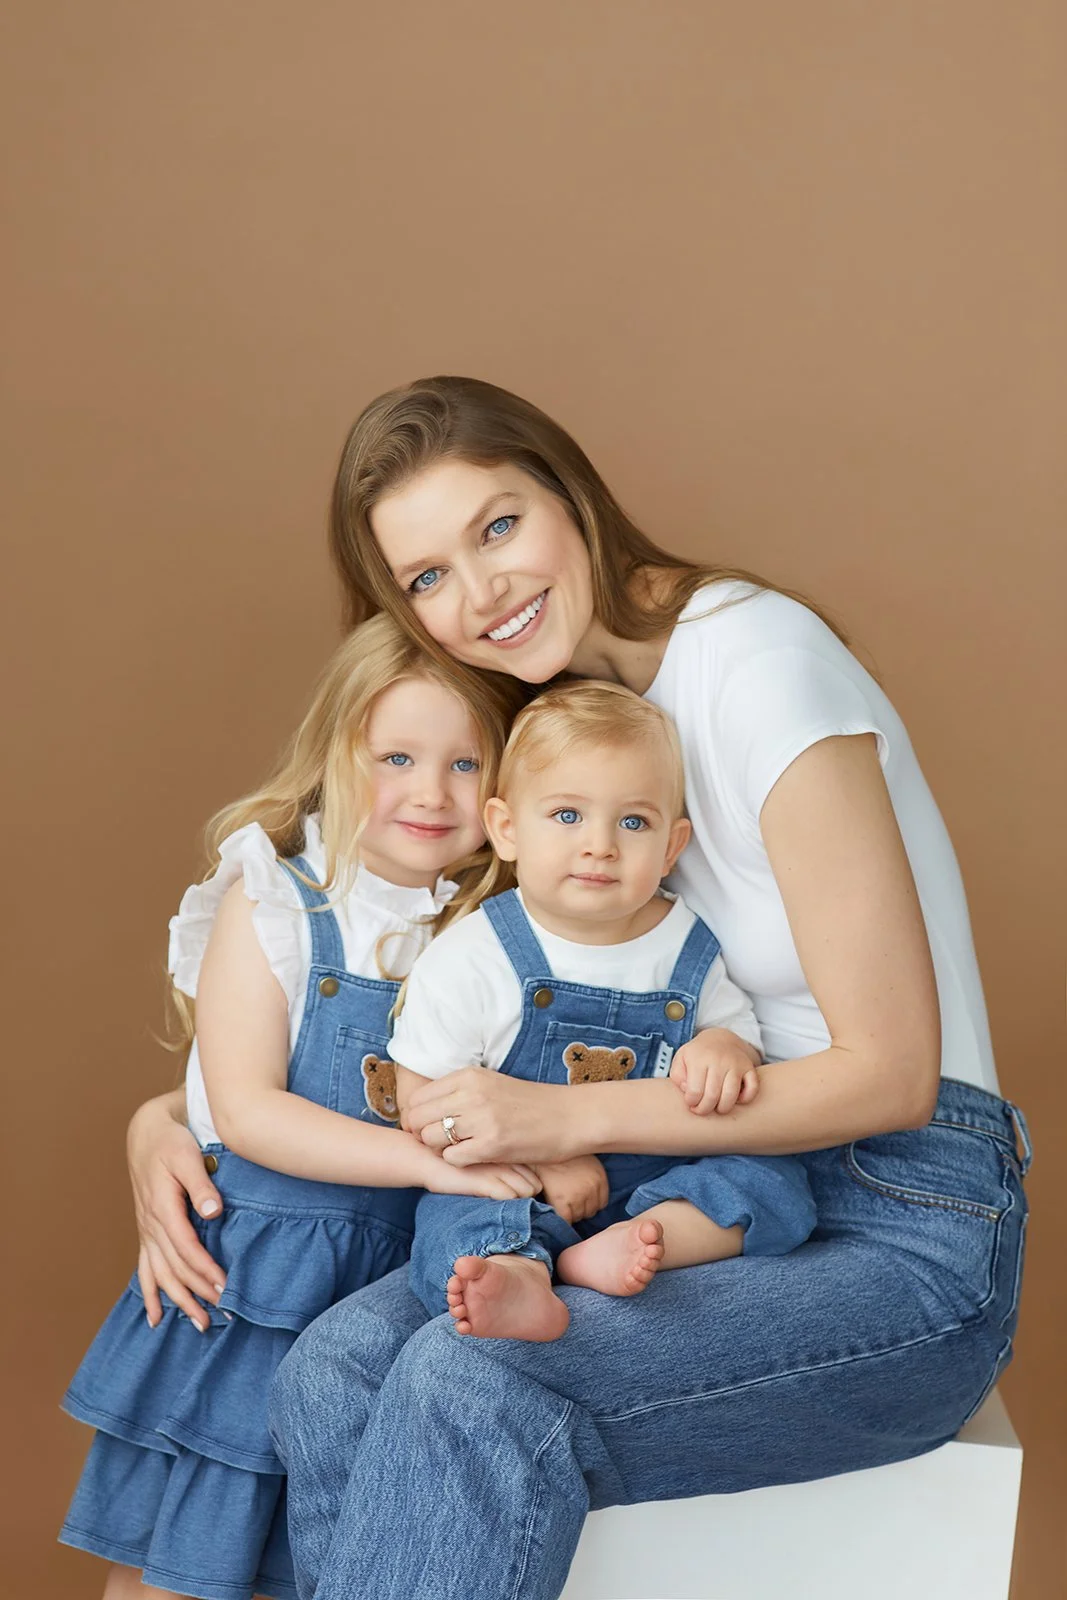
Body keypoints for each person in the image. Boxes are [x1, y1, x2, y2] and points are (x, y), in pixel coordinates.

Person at [126, 376, 1030, 1600]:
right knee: (334, 1373)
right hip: (653, 1188)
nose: (480, 592)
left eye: (497, 526)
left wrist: (560, 1117)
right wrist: (170, 1118)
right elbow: (383, 981)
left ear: (569, 494)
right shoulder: (560, 741)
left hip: (899, 1217)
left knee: (473, 1383)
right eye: (427, 576)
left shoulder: (755, 662)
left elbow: (891, 1073)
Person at [59, 612, 541, 1600]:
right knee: (176, 1569)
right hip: (258, 1281)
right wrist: (431, 1163)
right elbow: (245, 1110)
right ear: (334, 757)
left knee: (317, 1564)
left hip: (391, 1287)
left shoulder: (497, 929)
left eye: (464, 764)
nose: (430, 791)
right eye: (397, 757)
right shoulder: (278, 901)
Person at [395, 679, 817, 1341]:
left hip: (662, 1172)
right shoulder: (472, 957)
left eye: (633, 822)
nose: (600, 844)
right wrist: (543, 1160)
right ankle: (519, 1274)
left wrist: (724, 1048)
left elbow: (733, 1028)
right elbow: (422, 1103)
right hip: (526, 1183)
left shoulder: (685, 942)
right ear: (506, 829)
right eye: (567, 815)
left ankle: (644, 1240)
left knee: (771, 1183)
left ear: (672, 846)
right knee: (457, 1216)